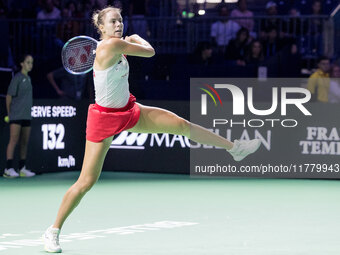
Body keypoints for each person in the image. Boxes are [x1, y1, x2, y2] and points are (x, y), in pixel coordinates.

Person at [42, 7, 261, 253]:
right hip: (104, 119)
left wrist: (128, 41)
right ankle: (53, 231)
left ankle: (235, 149)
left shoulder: (117, 45)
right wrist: (134, 39)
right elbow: (150, 52)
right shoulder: (109, 47)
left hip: (129, 109)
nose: (118, 25)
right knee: (86, 182)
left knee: (180, 125)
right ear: (101, 28)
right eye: (113, 21)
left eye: (120, 20)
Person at [3, 54, 36, 178]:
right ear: (22, 64)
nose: (30, 65)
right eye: (28, 62)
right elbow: (9, 96)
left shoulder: (29, 79)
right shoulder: (17, 78)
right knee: (13, 140)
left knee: (24, 142)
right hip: (16, 115)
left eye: (31, 62)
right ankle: (8, 168)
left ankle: (22, 168)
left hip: (27, 116)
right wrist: (9, 114)